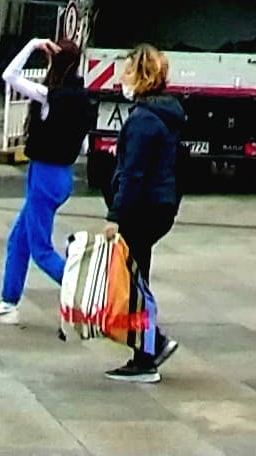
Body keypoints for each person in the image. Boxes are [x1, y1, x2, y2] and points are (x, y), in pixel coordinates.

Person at [0, 38, 93, 323]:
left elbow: (10, 75)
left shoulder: (50, 96)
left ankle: (88, 296)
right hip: (61, 175)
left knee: (40, 249)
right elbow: (84, 145)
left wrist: (32, 45)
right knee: (19, 240)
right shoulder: (82, 99)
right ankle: (8, 302)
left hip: (44, 174)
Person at [104, 44, 185, 383]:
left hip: (143, 208)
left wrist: (115, 216)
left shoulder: (143, 120)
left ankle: (150, 350)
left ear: (140, 75)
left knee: (133, 281)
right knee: (137, 277)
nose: (122, 78)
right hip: (160, 204)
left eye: (127, 71)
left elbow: (134, 174)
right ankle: (147, 349)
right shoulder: (163, 115)